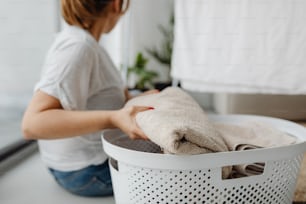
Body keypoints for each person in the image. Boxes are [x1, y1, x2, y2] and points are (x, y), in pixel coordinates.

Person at [22, 0, 158, 197]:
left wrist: (141, 97)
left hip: (79, 168)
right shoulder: (78, 48)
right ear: (116, 4)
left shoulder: (88, 45)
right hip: (87, 171)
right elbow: (32, 124)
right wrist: (112, 118)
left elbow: (108, 96)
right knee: (183, 172)